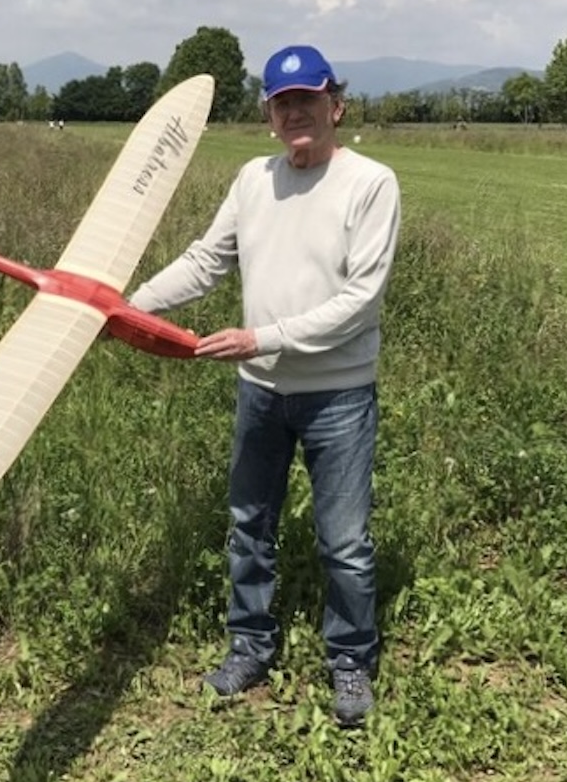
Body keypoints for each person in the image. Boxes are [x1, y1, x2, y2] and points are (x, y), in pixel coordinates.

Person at [127, 44, 400, 726]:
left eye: (309, 98)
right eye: (283, 102)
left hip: (338, 394)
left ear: (335, 105)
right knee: (250, 526)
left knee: (344, 542)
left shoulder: (370, 183)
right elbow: (206, 261)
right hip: (261, 393)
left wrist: (262, 338)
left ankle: (350, 662)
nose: (297, 111)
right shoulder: (254, 179)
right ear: (270, 117)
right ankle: (250, 646)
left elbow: (360, 302)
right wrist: (132, 306)